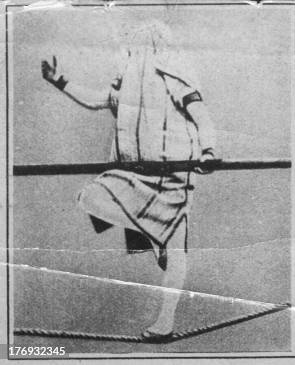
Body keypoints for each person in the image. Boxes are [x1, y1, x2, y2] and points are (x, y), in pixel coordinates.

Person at [41, 20, 216, 342]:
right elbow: (96, 99)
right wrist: (60, 82)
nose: (129, 52)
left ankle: (165, 323)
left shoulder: (173, 78)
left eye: (134, 46)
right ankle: (152, 234)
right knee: (93, 196)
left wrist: (208, 150)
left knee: (176, 254)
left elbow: (201, 114)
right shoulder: (125, 87)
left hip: (173, 179)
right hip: (134, 173)